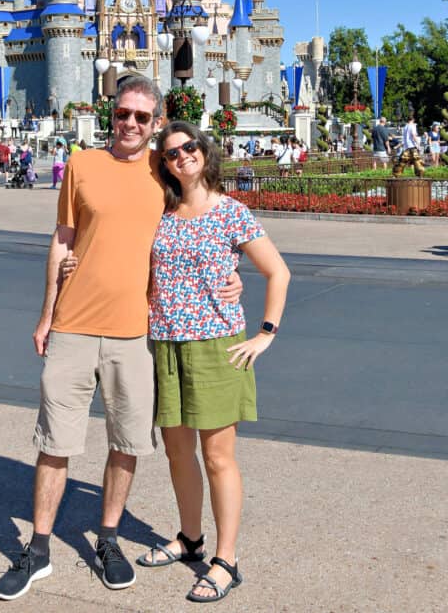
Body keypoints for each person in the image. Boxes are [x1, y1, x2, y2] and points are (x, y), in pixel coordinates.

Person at [0, 76, 241, 601]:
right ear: (112, 112)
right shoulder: (82, 164)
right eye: (123, 113)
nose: (130, 124)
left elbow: (203, 219)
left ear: (156, 122)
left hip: (136, 333)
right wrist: (45, 315)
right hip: (74, 325)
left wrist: (232, 272)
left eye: (142, 118)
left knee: (125, 443)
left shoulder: (164, 169)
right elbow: (63, 240)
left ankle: (107, 538)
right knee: (54, 443)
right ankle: (37, 549)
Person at [136, 122, 290, 602]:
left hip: (215, 346)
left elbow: (277, 271)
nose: (181, 156)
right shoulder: (159, 212)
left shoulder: (231, 213)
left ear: (204, 152)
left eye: (188, 147)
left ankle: (226, 559)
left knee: (218, 457)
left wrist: (265, 334)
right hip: (165, 344)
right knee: (178, 453)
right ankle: (189, 539)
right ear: (163, 164)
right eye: (170, 153)